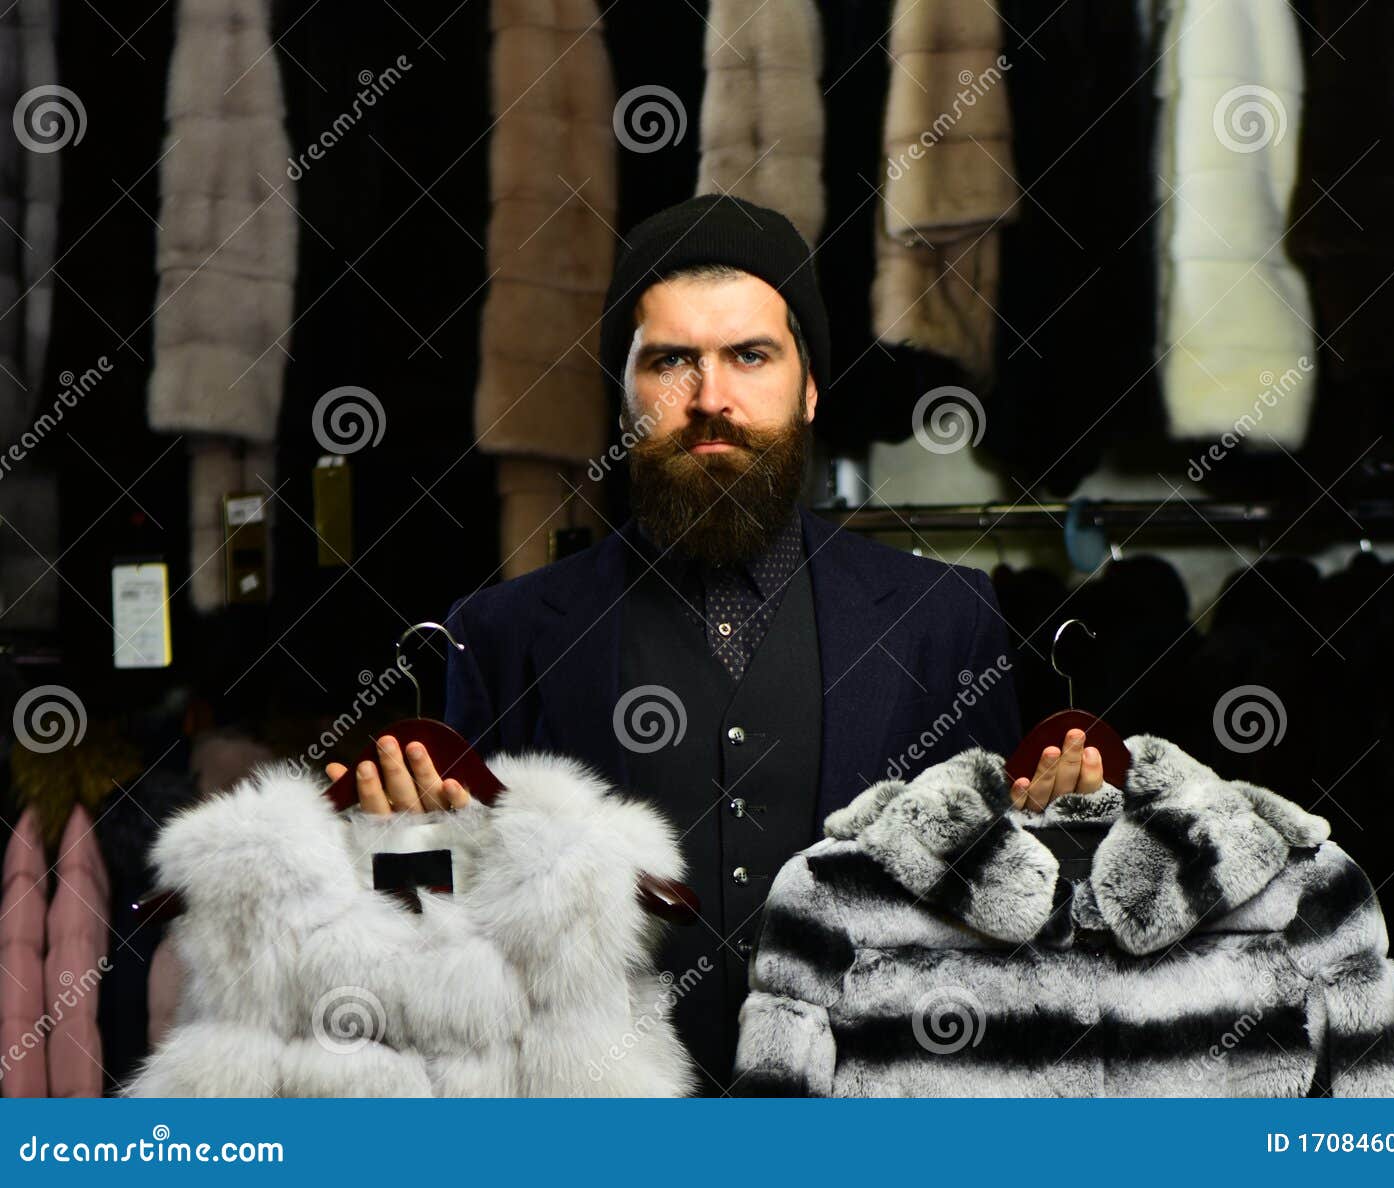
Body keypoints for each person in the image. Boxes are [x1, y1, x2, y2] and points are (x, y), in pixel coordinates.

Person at [324, 194, 1103, 1094]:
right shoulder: (498, 635)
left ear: (809, 388)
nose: (711, 399)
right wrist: (402, 850)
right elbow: (454, 945)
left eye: (750, 356)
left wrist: (1065, 830)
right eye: (670, 362)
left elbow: (1001, 909)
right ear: (624, 396)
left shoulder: (943, 618)